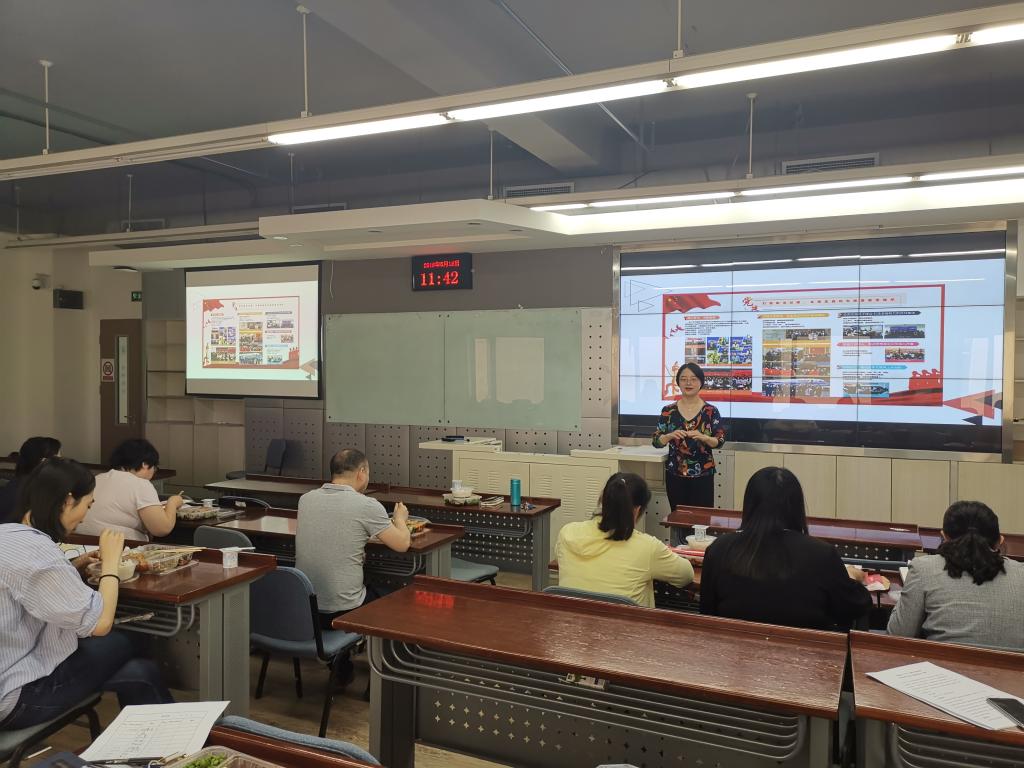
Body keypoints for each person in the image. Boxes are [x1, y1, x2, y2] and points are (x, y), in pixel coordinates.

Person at [0, 458, 171, 730]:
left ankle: (155, 740)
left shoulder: (8, 535)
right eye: (88, 505)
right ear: (68, 501)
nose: (85, 516)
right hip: (18, 697)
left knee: (141, 671)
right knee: (133, 638)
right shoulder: (38, 551)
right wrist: (111, 564)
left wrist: (71, 566)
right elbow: (100, 623)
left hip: (10, 675)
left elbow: (29, 584)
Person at [699, 467, 871, 631]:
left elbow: (706, 612)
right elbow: (856, 606)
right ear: (797, 507)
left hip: (732, 650)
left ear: (749, 504)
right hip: (805, 651)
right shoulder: (822, 555)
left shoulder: (719, 549)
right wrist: (849, 577)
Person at [296, 448, 411, 628]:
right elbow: (402, 544)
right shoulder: (366, 505)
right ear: (361, 472)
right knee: (398, 596)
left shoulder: (305, 499)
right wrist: (400, 519)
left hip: (305, 611)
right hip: (343, 611)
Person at [887, 501, 1023, 649]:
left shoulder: (924, 569)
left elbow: (897, 635)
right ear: (999, 541)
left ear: (944, 537)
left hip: (942, 663)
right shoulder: (1021, 573)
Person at [556, 473, 694, 608]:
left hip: (569, 621)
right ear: (637, 510)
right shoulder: (647, 547)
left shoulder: (567, 533)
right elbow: (686, 575)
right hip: (624, 623)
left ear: (603, 500)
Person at [652, 363, 725, 544]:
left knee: (702, 520)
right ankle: (679, 554)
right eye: (683, 379)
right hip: (675, 474)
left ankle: (700, 554)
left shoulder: (710, 411)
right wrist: (669, 436)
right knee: (679, 520)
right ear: (678, 383)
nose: (688, 383)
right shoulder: (668, 411)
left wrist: (704, 437)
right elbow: (656, 441)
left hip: (703, 475)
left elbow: (719, 441)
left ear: (701, 382)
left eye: (693, 379)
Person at [77, 438, 183, 540]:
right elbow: (162, 529)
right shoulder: (141, 484)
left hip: (80, 544)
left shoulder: (96, 479)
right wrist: (173, 502)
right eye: (154, 468)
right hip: (122, 546)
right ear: (145, 464)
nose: (153, 473)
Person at [0, 436, 62, 524]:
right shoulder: (29, 490)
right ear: (44, 462)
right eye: (58, 460)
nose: (61, 465)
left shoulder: (21, 482)